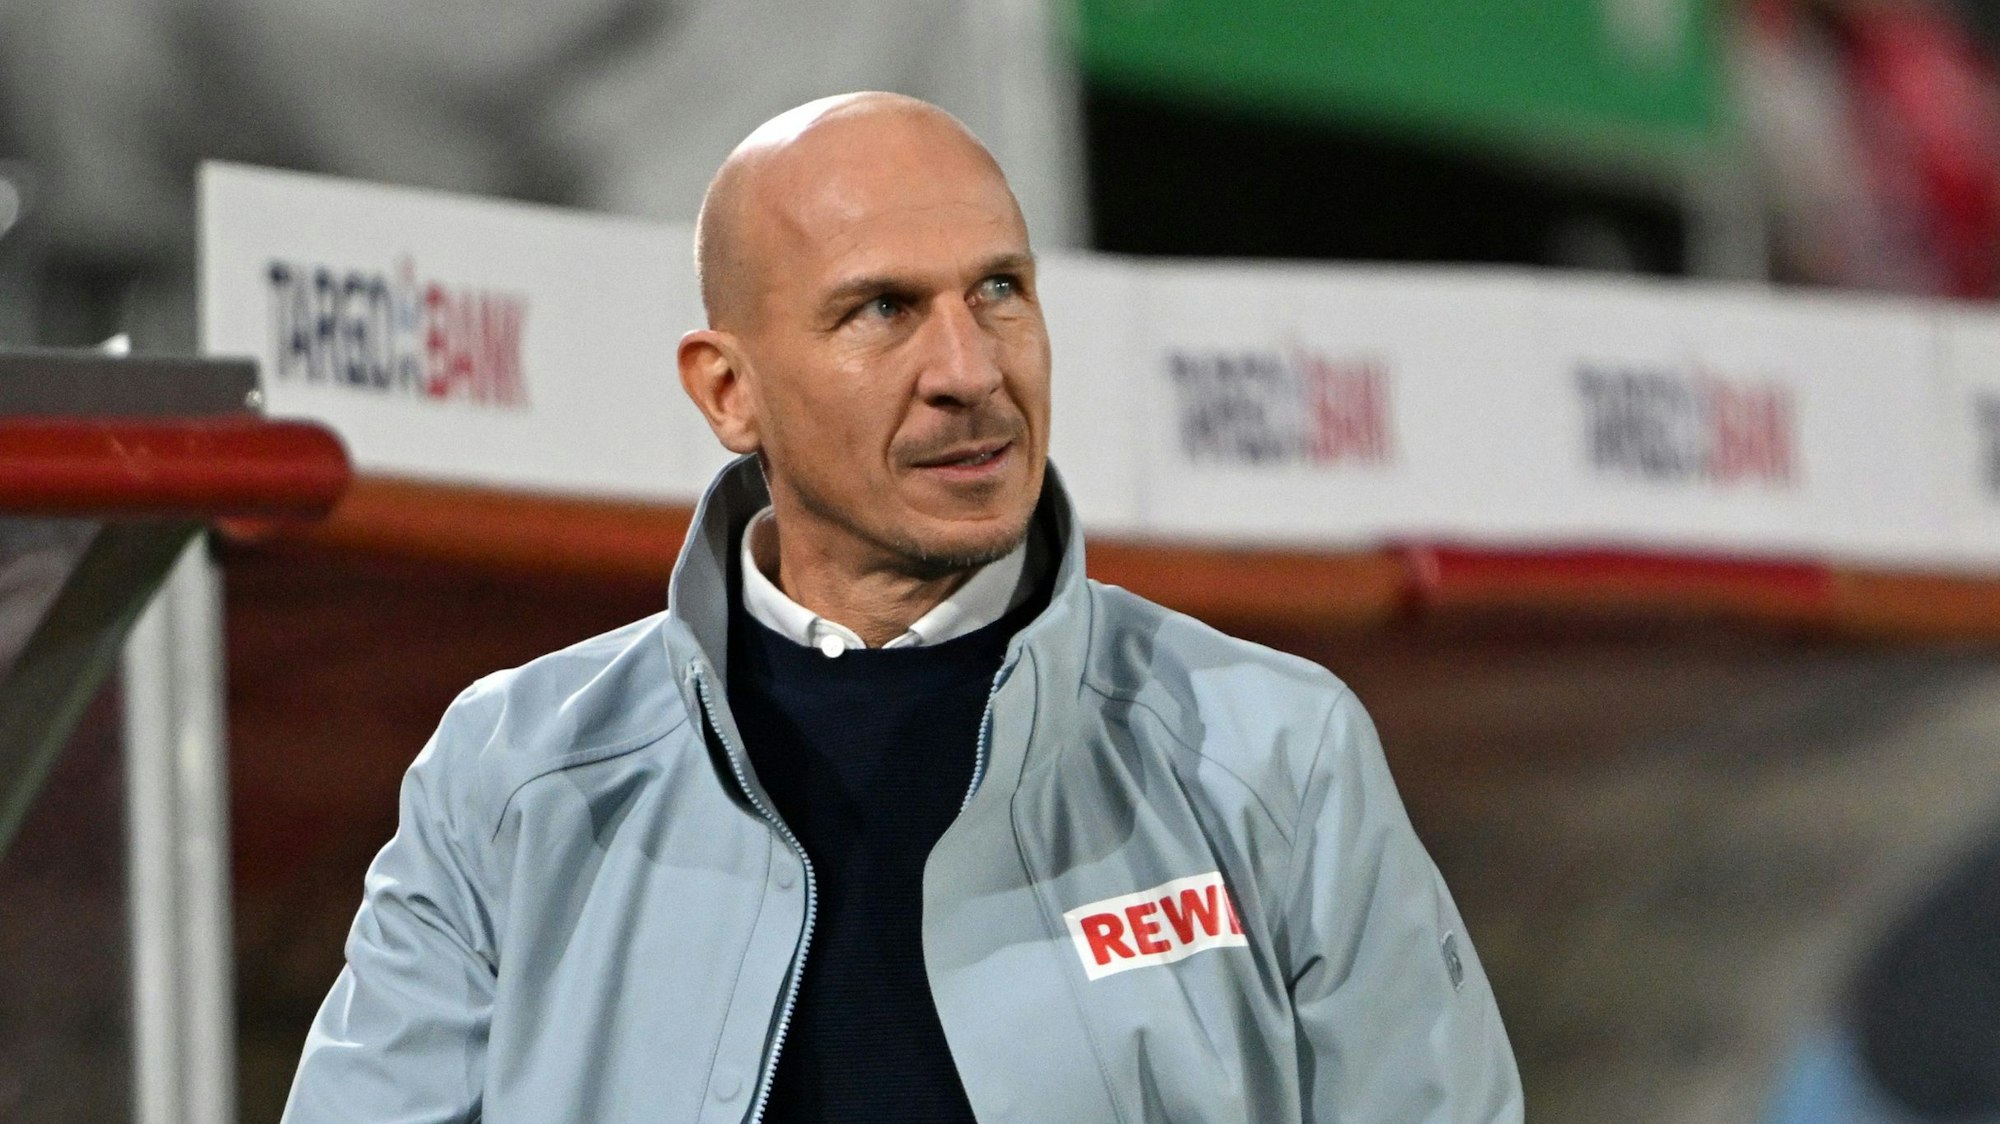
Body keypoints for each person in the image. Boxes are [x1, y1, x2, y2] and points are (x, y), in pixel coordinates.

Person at [281, 92, 1523, 1123]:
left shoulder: (1275, 752)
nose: (968, 371)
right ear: (727, 390)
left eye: (998, 290)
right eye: (881, 309)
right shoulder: (509, 777)